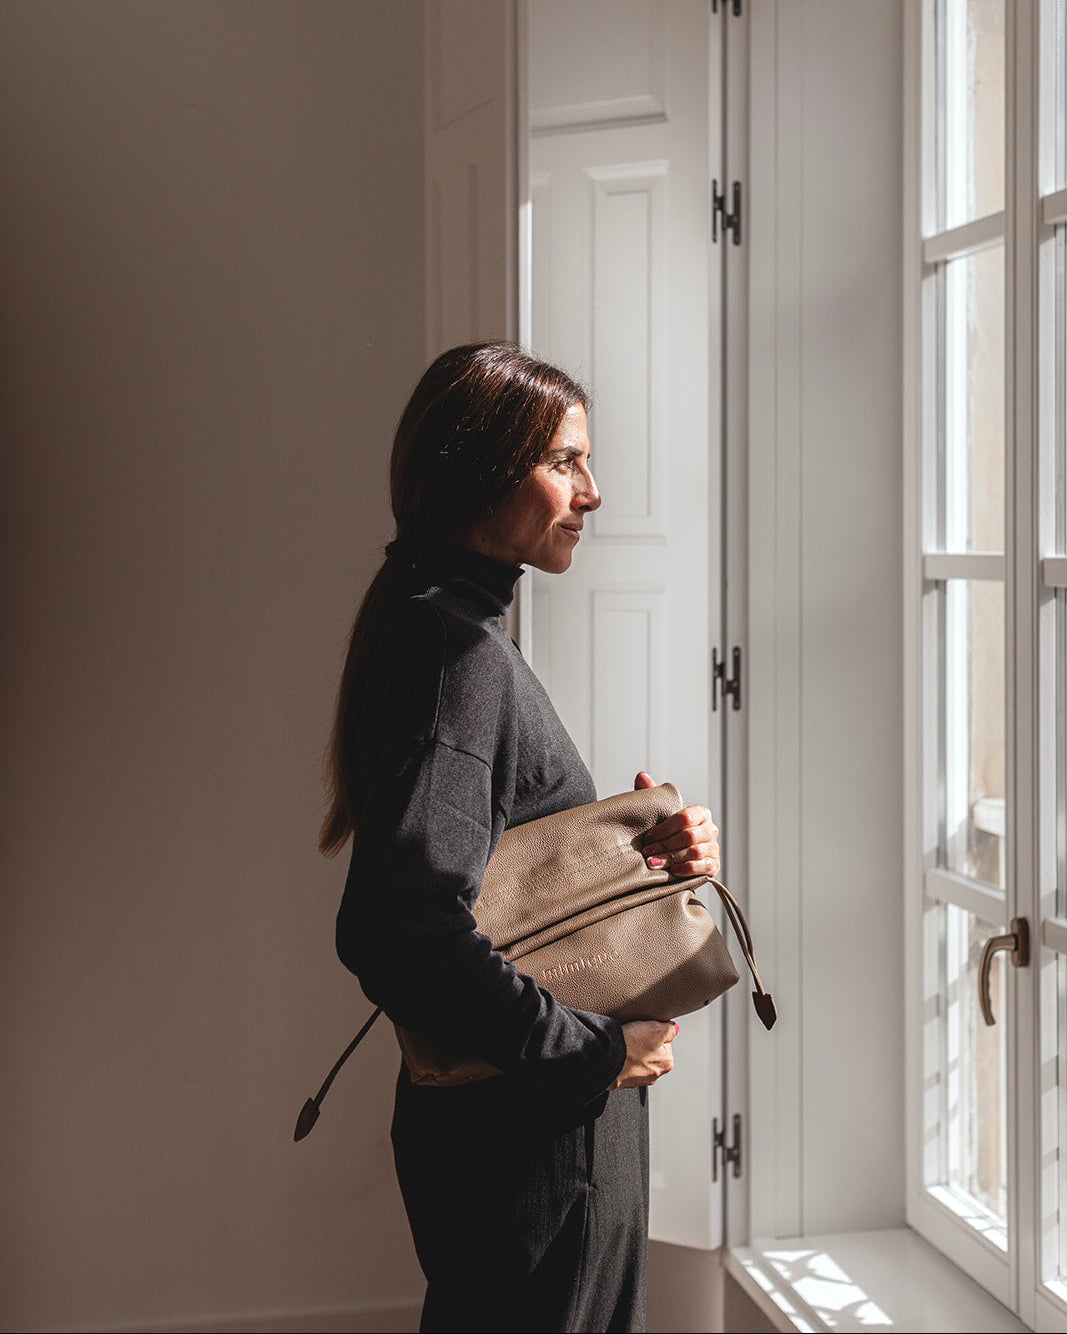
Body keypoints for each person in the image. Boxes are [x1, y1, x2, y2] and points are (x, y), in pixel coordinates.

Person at [320, 342, 720, 1334]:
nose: (592, 489)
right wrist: (588, 1053)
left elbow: (490, 878)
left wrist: (638, 852)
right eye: (564, 461)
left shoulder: (429, 621)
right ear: (480, 471)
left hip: (504, 1129)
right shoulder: (458, 653)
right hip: (534, 1136)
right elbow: (399, 928)